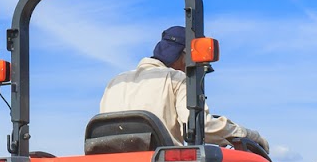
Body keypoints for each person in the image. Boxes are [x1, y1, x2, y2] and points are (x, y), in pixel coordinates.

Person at [99, 25, 267, 152]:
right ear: (184, 55)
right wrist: (247, 134)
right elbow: (202, 128)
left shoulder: (115, 82)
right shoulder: (176, 79)